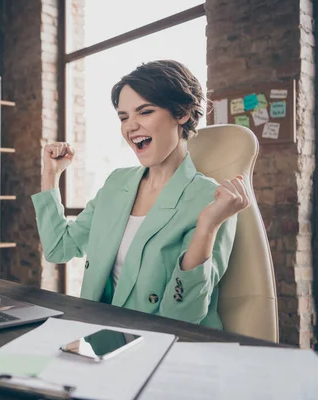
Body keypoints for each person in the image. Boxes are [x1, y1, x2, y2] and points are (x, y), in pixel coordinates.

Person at [31, 60, 250, 330]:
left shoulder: (211, 198)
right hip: (99, 337)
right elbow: (58, 248)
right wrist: (50, 175)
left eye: (145, 112)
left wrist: (207, 227)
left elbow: (182, 317)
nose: (130, 127)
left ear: (181, 113)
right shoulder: (116, 183)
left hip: (165, 347)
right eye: (124, 117)